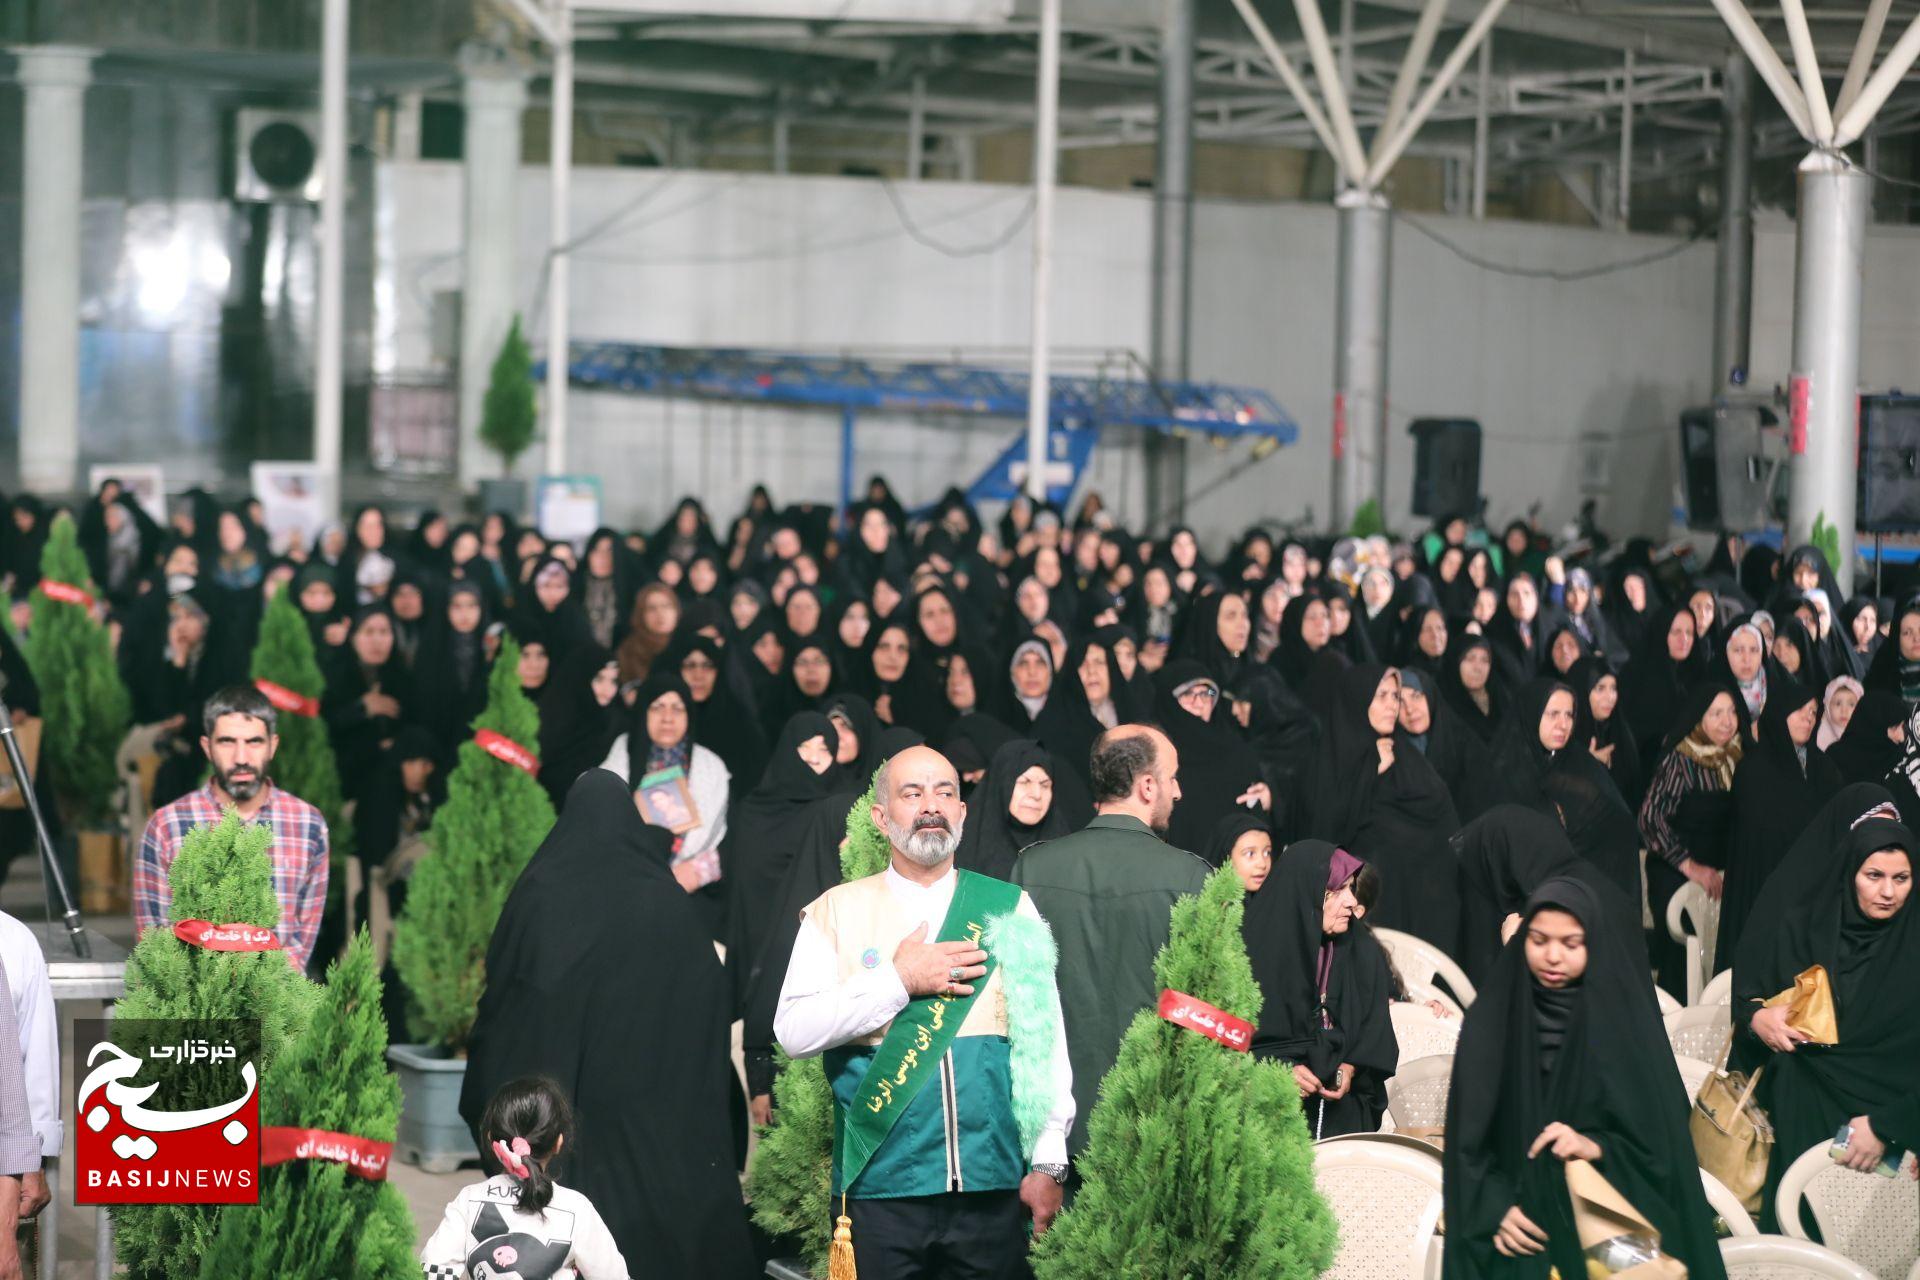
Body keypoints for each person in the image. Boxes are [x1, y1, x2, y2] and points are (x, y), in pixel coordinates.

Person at [774, 745, 1074, 1276]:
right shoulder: (835, 911)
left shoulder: (1009, 906)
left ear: (962, 811)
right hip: (882, 1189)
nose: (931, 805)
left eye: (945, 792)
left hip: (992, 1187)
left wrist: (1050, 1157)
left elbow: (1044, 1041)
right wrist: (898, 981)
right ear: (881, 816)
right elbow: (794, 1031)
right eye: (912, 793)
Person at [460, 772, 754, 1276]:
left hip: (565, 1122)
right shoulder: (665, 899)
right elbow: (713, 997)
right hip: (655, 1118)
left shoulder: (540, 891)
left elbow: (506, 999)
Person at [1443, 878, 1727, 1279]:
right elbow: (1465, 1142)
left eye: (1570, 943)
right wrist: (1490, 1208)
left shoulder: (1621, 1026)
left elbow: (1661, 1147)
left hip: (1606, 1222)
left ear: (1592, 944)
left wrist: (1595, 1145)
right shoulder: (1493, 1020)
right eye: (1539, 940)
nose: (1553, 956)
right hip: (1518, 1231)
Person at [1012, 725, 1209, 1163]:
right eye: (1172, 777)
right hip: (1154, 1127)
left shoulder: (1032, 867)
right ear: (1146, 785)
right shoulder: (1193, 877)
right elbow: (1210, 1014)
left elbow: (1014, 1005)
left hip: (1050, 1136)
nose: (1178, 791)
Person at [1733, 787, 1920, 1231]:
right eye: (1873, 875)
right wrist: (1758, 1020)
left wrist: (1889, 1126)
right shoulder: (1806, 926)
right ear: (1848, 871)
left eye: (1902, 878)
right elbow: (1753, 1000)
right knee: (1804, 1238)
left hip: (1897, 1128)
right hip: (1803, 1114)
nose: (1888, 892)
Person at [133, 686, 330, 972]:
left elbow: (301, 943)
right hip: (193, 1007)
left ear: (273, 745)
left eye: (254, 742)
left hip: (277, 1004)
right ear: (207, 747)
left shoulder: (307, 824)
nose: (241, 757)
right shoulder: (168, 826)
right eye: (227, 742)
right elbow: (154, 940)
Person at [1296, 664, 1462, 954]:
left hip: (1428, 912)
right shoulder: (1330, 759)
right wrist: (1370, 772)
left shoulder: (1406, 755)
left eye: (1395, 696)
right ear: (1359, 698)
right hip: (1365, 913)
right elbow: (1324, 832)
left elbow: (1443, 825)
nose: (1391, 705)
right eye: (1381, 695)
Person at [1242, 839, 1398, 1138]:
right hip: (1266, 1118)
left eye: (1352, 888)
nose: (1352, 901)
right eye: (1336, 891)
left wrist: (1350, 1066)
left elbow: (1374, 1032)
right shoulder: (1254, 955)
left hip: (1341, 1118)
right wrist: (1276, 1073)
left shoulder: (1362, 953)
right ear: (1307, 897)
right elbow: (1229, 1046)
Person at [424, 1075, 628, 1278]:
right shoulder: (577, 1209)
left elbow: (434, 1270)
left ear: (491, 1140)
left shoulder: (469, 1199)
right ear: (558, 1142)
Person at [1719, 671, 1838, 973]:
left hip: (1812, 894)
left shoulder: (1823, 768)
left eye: (1813, 712)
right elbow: (1755, 835)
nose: (1808, 718)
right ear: (1780, 712)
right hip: (1762, 890)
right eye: (1800, 710)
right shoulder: (1753, 769)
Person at [1638, 681, 1743, 996]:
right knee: (1684, 964)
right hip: (1677, 870)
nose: (1727, 721)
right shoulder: (1681, 759)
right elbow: (1649, 819)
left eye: (1732, 712)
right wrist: (1691, 867)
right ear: (1699, 718)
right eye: (1716, 714)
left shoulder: (1737, 754)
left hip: (1722, 873)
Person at [952, 740, 1074, 881]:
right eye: (1024, 782)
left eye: (1045, 785)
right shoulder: (966, 844)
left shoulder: (1065, 849)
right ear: (1002, 784)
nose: (1036, 794)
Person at [1207, 811, 1272, 892]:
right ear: (1226, 857)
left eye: (1267, 853)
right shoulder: (1205, 902)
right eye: (1250, 853)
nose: (1262, 864)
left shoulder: (1277, 900)